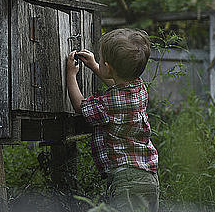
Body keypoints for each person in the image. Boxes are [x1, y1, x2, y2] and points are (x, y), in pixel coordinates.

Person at [66, 28, 159, 212]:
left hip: (126, 179)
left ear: (108, 67)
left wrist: (71, 74)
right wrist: (94, 66)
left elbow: (81, 106)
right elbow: (116, 84)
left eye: (100, 60)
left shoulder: (107, 104)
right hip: (149, 177)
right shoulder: (140, 88)